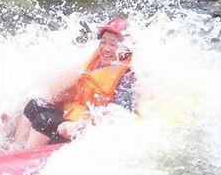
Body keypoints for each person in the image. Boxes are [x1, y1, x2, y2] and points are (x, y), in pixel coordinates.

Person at [15, 18, 135, 149]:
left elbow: (119, 118)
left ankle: (24, 160)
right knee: (35, 105)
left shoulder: (126, 77)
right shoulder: (98, 61)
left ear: (124, 47)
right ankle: (14, 150)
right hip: (77, 115)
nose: (106, 48)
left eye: (113, 44)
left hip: (90, 130)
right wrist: (60, 95)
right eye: (103, 41)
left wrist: (78, 127)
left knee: (45, 120)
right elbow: (84, 88)